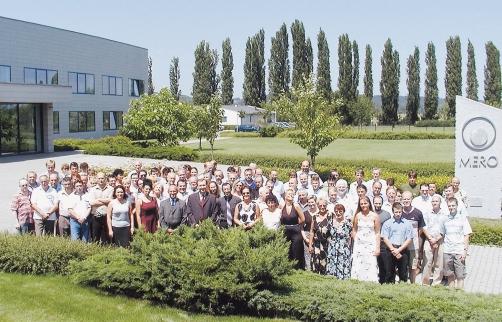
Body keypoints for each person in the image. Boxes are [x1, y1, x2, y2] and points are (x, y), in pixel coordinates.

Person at [401, 191, 433, 284]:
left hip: (413, 247)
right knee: (402, 267)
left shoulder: (417, 213)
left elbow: (421, 229)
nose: (406, 201)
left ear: (411, 199)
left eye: (408, 199)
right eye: (404, 199)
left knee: (413, 267)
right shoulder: (399, 212)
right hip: (401, 246)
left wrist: (414, 238)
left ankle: (412, 284)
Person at [440, 197, 472, 289]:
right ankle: (451, 293)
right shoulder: (445, 219)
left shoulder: (463, 219)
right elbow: (442, 234)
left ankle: (459, 294)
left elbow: (467, 235)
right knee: (449, 274)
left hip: (459, 251)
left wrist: (465, 251)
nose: (451, 207)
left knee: (460, 276)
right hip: (447, 250)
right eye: (449, 206)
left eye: (453, 205)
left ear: (457, 206)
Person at [381, 202, 414, 283]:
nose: (398, 214)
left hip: (403, 249)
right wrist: (393, 250)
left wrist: (398, 250)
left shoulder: (407, 223)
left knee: (403, 273)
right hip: (390, 249)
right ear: (393, 211)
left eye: (400, 212)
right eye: (396, 212)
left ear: (402, 211)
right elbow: (385, 238)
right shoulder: (387, 223)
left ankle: (402, 290)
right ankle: (389, 290)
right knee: (389, 273)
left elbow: (409, 239)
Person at [350, 196, 380, 282]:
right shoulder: (358, 216)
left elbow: (377, 233)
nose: (363, 205)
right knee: (358, 264)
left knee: (370, 264)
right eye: (361, 204)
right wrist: (357, 241)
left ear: (369, 203)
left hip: (371, 244)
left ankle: (370, 284)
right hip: (359, 245)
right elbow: (354, 230)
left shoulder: (375, 216)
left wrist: (377, 248)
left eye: (365, 203)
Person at [422, 195, 446, 286]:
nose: (434, 203)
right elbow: (424, 227)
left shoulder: (445, 214)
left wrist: (436, 239)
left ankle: (436, 283)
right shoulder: (427, 213)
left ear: (440, 203)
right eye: (433, 201)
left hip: (440, 240)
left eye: (436, 201)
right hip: (429, 240)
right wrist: (431, 239)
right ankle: (425, 283)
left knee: (438, 263)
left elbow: (445, 228)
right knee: (427, 262)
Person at [281, 189, 306, 269]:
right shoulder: (281, 205)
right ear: (285, 196)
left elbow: (303, 219)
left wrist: (295, 224)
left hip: (295, 230)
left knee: (296, 250)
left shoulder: (296, 206)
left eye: (292, 194)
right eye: (289, 194)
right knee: (287, 250)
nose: (291, 195)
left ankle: (297, 268)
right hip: (285, 230)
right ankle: (287, 268)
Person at [326, 204, 352, 280]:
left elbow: (351, 235)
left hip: (343, 248)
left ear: (344, 212)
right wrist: (330, 241)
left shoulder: (348, 222)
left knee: (343, 264)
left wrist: (348, 244)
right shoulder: (330, 222)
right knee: (332, 264)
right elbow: (327, 235)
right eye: (336, 211)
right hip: (333, 248)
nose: (338, 213)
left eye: (340, 211)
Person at [308, 198, 332, 275]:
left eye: (324, 205)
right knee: (316, 262)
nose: (322, 207)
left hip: (328, 244)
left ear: (326, 205)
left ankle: (326, 278)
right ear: (317, 206)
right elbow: (312, 231)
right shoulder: (314, 216)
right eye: (320, 205)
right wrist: (310, 245)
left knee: (326, 262)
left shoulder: (331, 215)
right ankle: (316, 278)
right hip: (317, 244)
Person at [89, 172, 113, 242]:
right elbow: (92, 203)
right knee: (95, 237)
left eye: (102, 178)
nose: (101, 180)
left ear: (105, 179)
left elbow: (111, 201)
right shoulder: (92, 189)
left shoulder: (110, 189)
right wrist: (105, 201)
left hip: (106, 216)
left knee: (106, 238)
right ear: (96, 179)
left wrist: (98, 199)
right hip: (95, 216)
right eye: (99, 178)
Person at [373, 195, 392, 284]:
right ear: (373, 203)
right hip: (372, 242)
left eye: (379, 203)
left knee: (383, 264)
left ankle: (383, 282)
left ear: (382, 203)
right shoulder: (370, 213)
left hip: (383, 243)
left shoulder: (387, 215)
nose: (377, 205)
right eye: (376, 203)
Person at [302, 195, 317, 270]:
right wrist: (305, 238)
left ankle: (316, 271)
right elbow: (301, 227)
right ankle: (308, 271)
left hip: (317, 236)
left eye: (312, 202)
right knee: (308, 254)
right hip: (307, 234)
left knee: (316, 254)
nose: (311, 204)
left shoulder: (320, 212)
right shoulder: (304, 213)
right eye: (309, 202)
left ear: (316, 202)